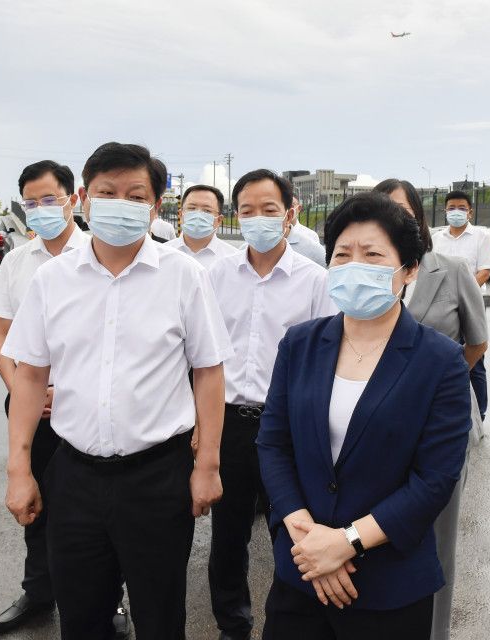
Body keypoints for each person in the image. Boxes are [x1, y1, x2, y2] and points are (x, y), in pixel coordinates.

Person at [1, 142, 233, 640]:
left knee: (159, 615)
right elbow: (29, 372)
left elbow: (209, 372)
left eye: (135, 195)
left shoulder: (184, 277)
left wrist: (207, 464)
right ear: (84, 196)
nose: (120, 204)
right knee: (82, 615)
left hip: (157, 478)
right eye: (107, 192)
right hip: (75, 475)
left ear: (154, 206)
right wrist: (19, 466)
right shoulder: (52, 278)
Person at [256, 191, 472, 640]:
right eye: (342, 254)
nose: (355, 265)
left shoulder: (441, 360)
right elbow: (274, 443)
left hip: (388, 583)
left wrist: (345, 542)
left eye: (373, 255)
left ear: (409, 269)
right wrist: (308, 538)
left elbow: (435, 478)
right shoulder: (299, 344)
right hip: (301, 570)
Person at [0, 161, 131, 637]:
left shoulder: (98, 254)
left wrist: (61, 391)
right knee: (34, 504)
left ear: (73, 198)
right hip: (31, 402)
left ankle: (111, 599)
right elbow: (2, 335)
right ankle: (38, 591)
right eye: (30, 202)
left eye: (49, 199)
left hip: (89, 408)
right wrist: (23, 391)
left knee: (100, 510)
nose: (40, 210)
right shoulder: (17, 262)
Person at [206, 169, 335, 640]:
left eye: (269, 209)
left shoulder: (316, 281)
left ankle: (291, 624)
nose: (258, 219)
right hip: (229, 423)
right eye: (247, 210)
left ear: (290, 214)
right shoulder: (214, 276)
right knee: (228, 534)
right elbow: (201, 356)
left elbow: (327, 360)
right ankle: (232, 625)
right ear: (234, 216)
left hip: (289, 428)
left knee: (296, 529)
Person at [373, 178, 486, 640]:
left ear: (419, 218)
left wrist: (436, 384)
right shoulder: (361, 275)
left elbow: (477, 341)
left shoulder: (452, 270)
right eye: (380, 210)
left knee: (436, 539)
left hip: (438, 425)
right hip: (373, 425)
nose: (391, 220)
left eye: (401, 210)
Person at [431, 190, 490, 421]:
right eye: (451, 208)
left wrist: (462, 292)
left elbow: (485, 271)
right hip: (442, 306)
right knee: (444, 355)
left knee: (475, 358)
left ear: (470, 211)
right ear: (445, 211)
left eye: (461, 208)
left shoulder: (480, 237)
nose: (456, 212)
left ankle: (481, 412)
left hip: (471, 304)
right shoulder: (437, 239)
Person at [166, 185, 238, 267]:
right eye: (192, 208)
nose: (198, 215)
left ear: (219, 220)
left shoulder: (233, 259)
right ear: (180, 214)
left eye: (207, 210)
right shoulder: (162, 254)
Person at [286, 195, 326, 267]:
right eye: (285, 205)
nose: (288, 209)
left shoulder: (311, 235)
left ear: (299, 208)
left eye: (291, 205)